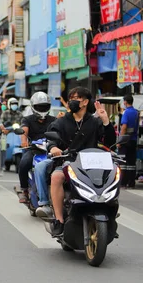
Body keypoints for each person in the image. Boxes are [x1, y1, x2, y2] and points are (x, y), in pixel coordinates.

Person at [37, 87, 116, 237]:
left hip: (93, 164)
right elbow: (51, 139)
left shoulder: (94, 122)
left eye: (76, 99)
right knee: (56, 177)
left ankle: (109, 210)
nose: (72, 102)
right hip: (68, 162)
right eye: (71, 98)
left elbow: (110, 142)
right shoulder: (61, 122)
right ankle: (59, 220)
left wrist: (105, 121)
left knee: (112, 176)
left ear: (85, 102)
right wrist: (53, 147)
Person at [16, 92, 55, 203]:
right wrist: (24, 142)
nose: (42, 109)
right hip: (34, 150)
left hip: (51, 150)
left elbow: (59, 132)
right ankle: (24, 190)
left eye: (44, 106)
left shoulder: (54, 120)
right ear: (33, 107)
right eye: (39, 106)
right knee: (24, 163)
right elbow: (24, 131)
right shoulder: (27, 119)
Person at [119, 94, 138, 188]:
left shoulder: (126, 112)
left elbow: (124, 126)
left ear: (125, 102)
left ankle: (123, 182)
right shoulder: (136, 112)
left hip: (125, 141)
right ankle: (131, 182)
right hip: (133, 140)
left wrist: (120, 140)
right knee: (131, 163)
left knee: (122, 162)